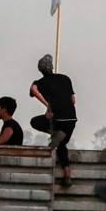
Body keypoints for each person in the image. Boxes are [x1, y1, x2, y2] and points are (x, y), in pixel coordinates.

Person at [29, 54, 77, 187]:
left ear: (41, 70)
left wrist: (48, 105)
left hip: (58, 118)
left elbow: (33, 90)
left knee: (35, 121)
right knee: (61, 144)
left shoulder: (40, 82)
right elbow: (73, 100)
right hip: (72, 119)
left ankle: (55, 132)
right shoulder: (66, 78)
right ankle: (67, 175)